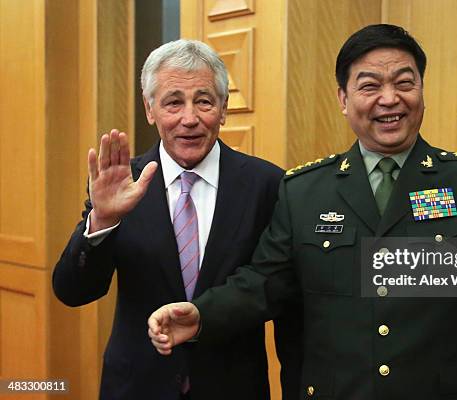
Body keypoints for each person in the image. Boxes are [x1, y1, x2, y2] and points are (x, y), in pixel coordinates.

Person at [148, 25, 457, 399]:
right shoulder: (304, 191)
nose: (390, 99)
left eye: (405, 83)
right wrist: (202, 315)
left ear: (422, 92)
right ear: (344, 100)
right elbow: (264, 284)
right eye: (370, 86)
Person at [53, 39, 302, 400]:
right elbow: (74, 290)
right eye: (173, 102)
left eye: (204, 101)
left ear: (224, 108)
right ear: (149, 108)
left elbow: (277, 289)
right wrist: (103, 219)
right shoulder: (122, 180)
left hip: (233, 386)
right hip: (137, 386)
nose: (189, 119)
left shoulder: (267, 184)